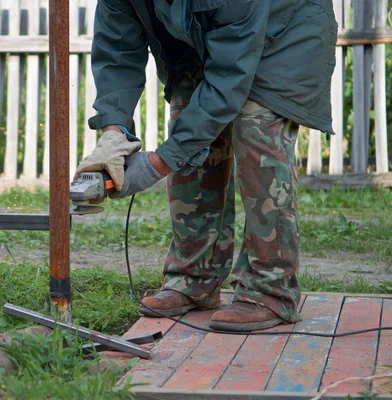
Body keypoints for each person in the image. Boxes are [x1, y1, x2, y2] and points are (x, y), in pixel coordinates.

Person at [75, 0, 337, 332]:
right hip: (207, 35)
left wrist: (157, 164)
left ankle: (269, 290)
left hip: (285, 30)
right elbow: (117, 51)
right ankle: (194, 277)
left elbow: (229, 77)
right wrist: (114, 131)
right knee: (188, 116)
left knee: (256, 125)